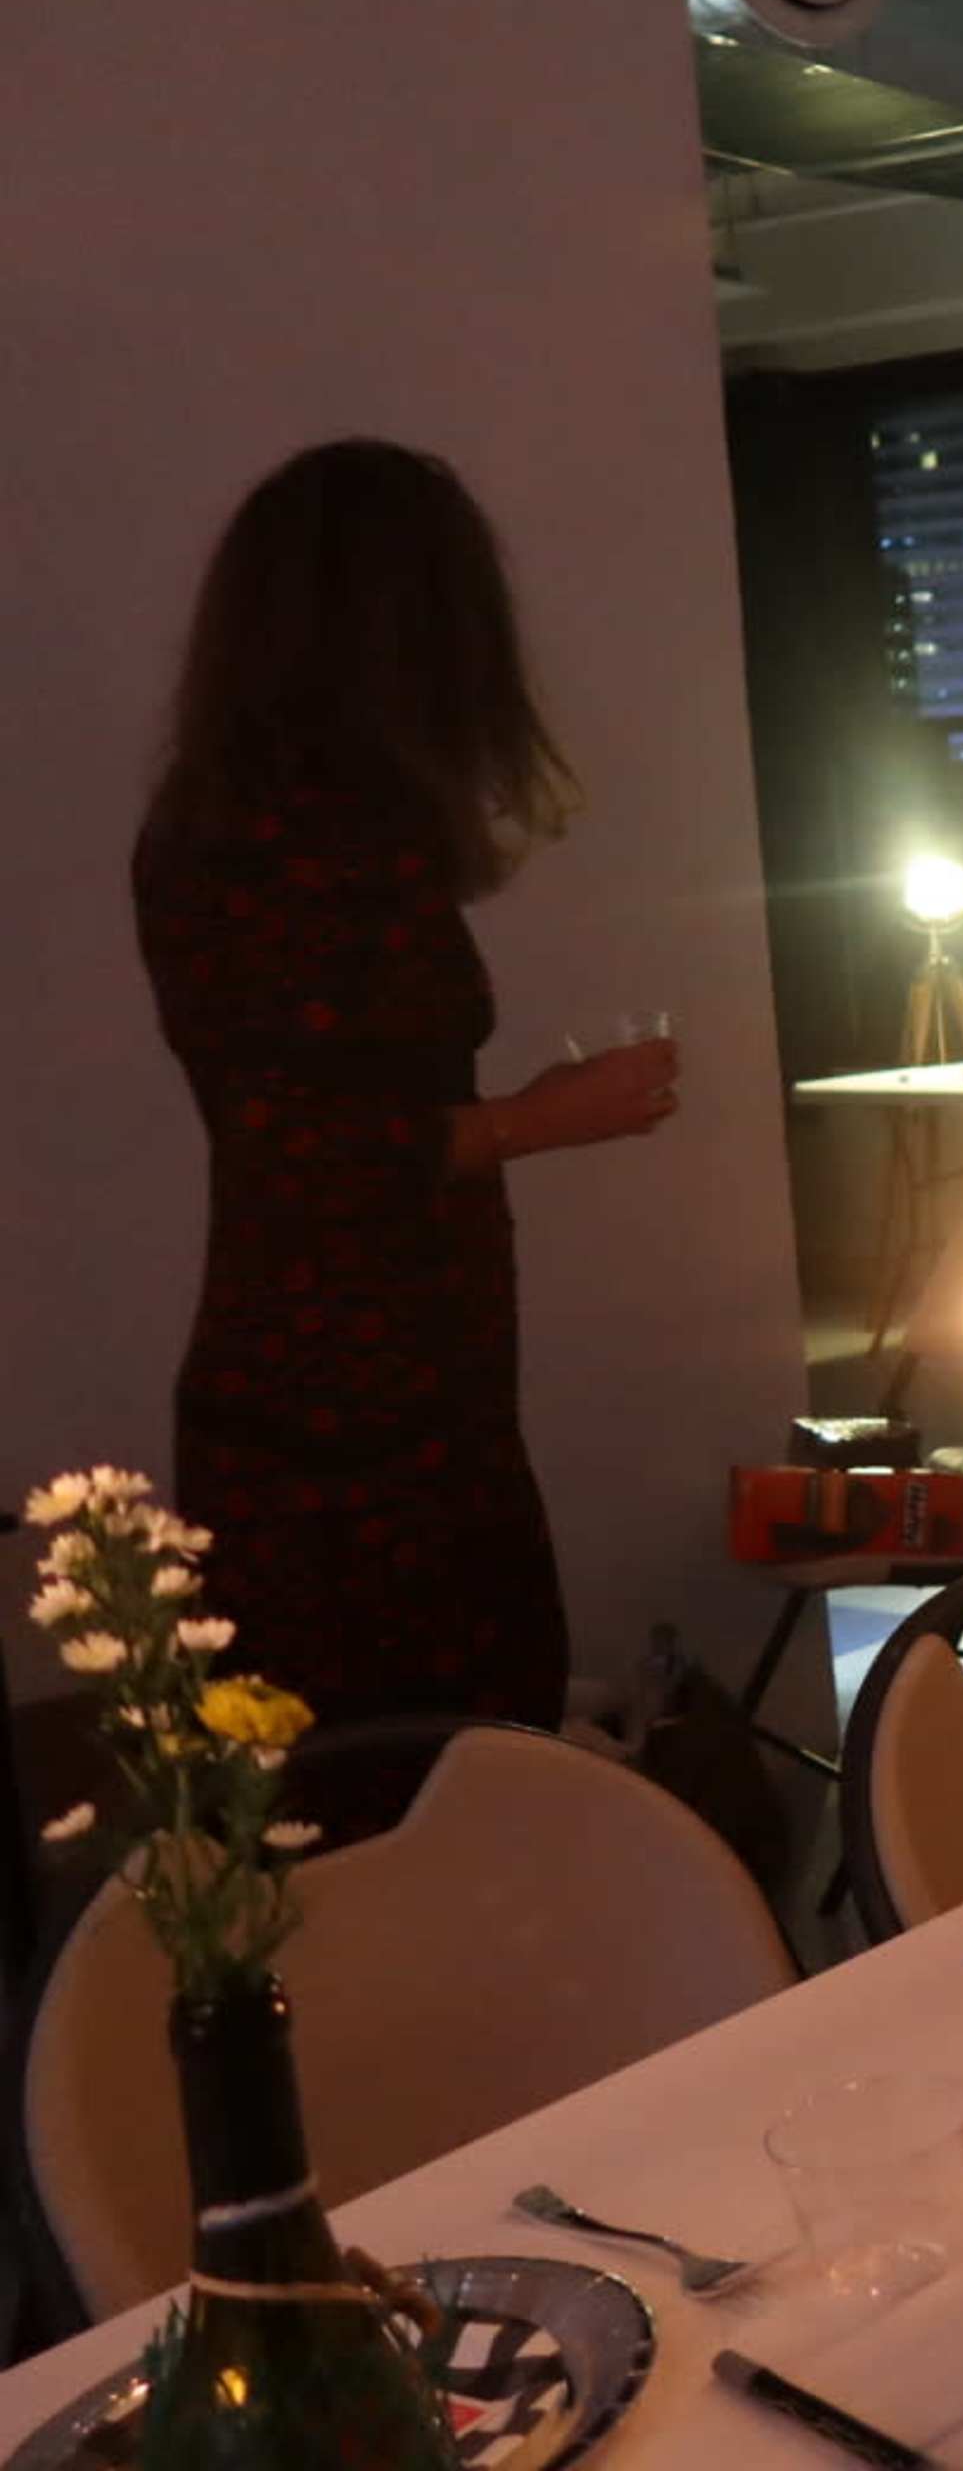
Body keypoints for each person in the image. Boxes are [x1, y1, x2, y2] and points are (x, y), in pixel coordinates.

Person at [132, 439, 680, 1731]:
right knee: (410, 1784)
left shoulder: (259, 816)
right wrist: (538, 1122)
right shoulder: (282, 831)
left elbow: (333, 1101)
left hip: (385, 1388)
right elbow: (300, 1148)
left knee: (424, 1771)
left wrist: (519, 1114)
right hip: (344, 1422)